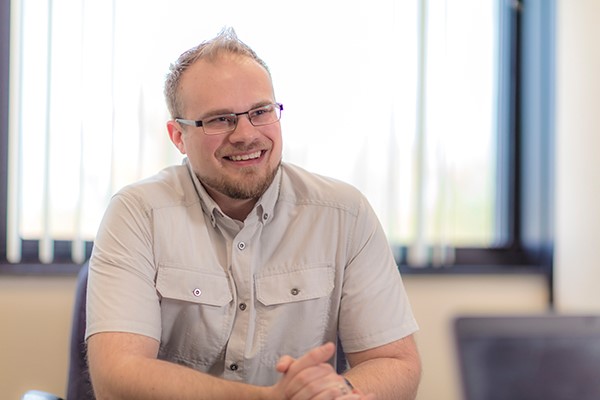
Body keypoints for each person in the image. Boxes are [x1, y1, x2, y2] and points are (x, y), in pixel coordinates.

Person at [85, 27, 421, 400]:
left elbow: (396, 362)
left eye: (260, 112)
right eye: (219, 119)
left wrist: (331, 392)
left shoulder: (345, 214)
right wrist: (268, 399)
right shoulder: (136, 214)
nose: (246, 134)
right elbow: (117, 375)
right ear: (178, 135)